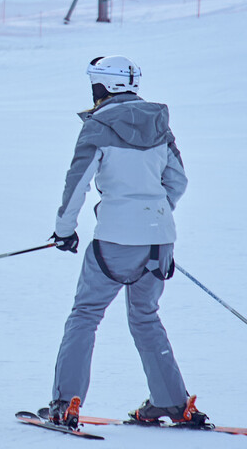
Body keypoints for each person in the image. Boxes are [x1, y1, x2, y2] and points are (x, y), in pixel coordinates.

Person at [40, 56, 208, 429]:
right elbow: (177, 181)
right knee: (146, 317)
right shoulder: (159, 122)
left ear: (102, 86)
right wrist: (154, 217)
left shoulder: (98, 126)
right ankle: (172, 402)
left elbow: (77, 184)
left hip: (116, 240)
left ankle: (65, 404)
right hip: (160, 240)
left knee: (85, 315)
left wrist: (64, 230)